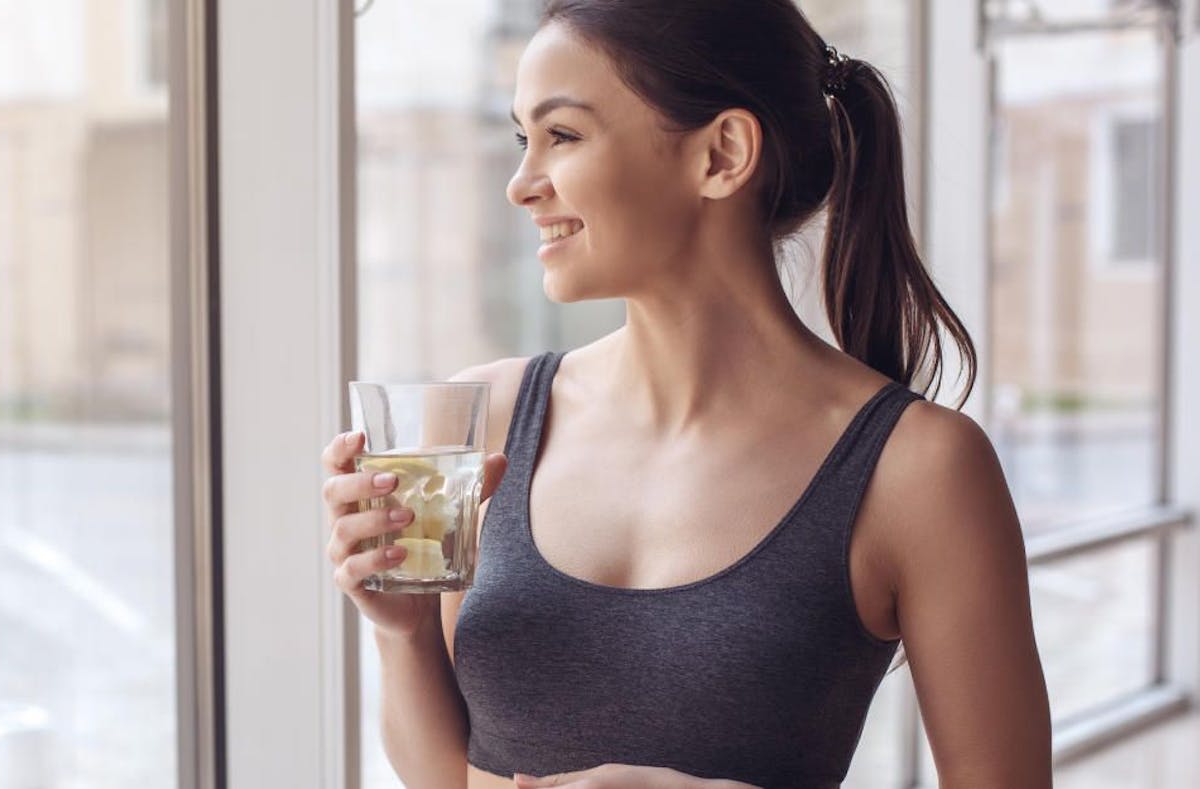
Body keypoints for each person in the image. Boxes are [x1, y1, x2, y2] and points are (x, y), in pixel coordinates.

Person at [321, 0, 1052, 786]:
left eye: (562, 136)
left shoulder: (919, 469)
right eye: (520, 140)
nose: (521, 185)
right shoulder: (484, 417)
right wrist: (401, 633)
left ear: (722, 155)